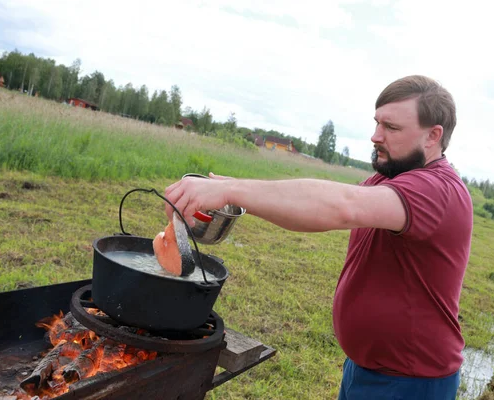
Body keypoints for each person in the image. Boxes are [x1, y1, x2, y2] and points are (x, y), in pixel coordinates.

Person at [164, 75, 473, 400]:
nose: (375, 136)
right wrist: (238, 192)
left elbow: (340, 205)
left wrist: (229, 189)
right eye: (377, 123)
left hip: (411, 383)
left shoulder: (437, 190)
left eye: (391, 128)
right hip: (369, 369)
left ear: (432, 136)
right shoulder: (392, 180)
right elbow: (308, 209)